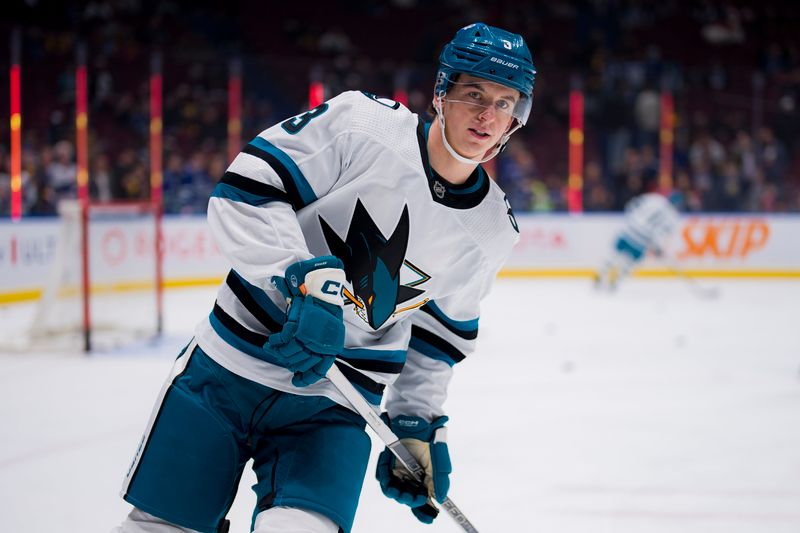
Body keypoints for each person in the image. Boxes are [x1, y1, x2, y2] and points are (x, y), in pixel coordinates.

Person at [114, 22, 535, 533]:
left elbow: (438, 339)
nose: (489, 116)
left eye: (506, 101)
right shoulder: (363, 126)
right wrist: (302, 280)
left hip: (331, 409)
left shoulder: (490, 231)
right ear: (441, 93)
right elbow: (244, 194)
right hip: (226, 371)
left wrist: (416, 421)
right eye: (474, 94)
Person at [594, 191, 681, 290]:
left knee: (613, 256)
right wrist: (658, 248)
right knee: (630, 264)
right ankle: (616, 280)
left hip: (630, 231)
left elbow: (633, 204)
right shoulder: (673, 217)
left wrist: (631, 220)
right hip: (642, 241)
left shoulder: (655, 199)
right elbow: (663, 234)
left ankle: (600, 274)